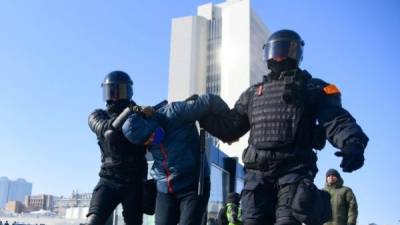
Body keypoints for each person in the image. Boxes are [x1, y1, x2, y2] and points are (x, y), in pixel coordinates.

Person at [200, 29, 369, 225]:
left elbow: (334, 118)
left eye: (285, 49)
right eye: (275, 50)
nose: (279, 56)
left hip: (294, 170)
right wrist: (201, 114)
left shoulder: (311, 88)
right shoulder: (253, 94)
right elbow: (231, 127)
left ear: (296, 53)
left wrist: (352, 142)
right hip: (257, 175)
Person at [122, 94, 231, 225]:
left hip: (193, 184)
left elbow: (210, 101)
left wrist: (229, 129)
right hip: (165, 188)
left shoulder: (174, 112)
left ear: (150, 121)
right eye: (147, 141)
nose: (152, 140)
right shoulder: (141, 136)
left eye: (152, 135)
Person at [86, 71, 148, 225]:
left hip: (134, 182)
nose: (115, 97)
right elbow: (106, 129)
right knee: (93, 220)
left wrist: (151, 120)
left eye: (119, 92)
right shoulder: (98, 115)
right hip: (109, 179)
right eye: (111, 92)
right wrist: (129, 112)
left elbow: (158, 138)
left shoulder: (140, 116)